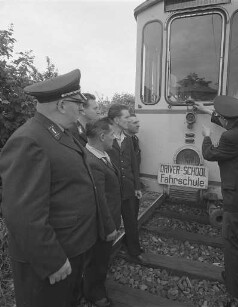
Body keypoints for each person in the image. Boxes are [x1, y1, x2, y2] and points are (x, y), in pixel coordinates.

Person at [0, 69, 101, 307]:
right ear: (63, 105)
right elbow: (23, 214)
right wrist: (52, 261)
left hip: (71, 248)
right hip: (51, 259)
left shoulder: (61, 134)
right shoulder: (29, 140)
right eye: (78, 103)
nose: (81, 108)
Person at [195, 96, 238, 307]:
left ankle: (237, 294)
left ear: (226, 120)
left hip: (235, 199)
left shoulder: (231, 138)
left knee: (233, 245)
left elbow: (209, 154)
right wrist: (207, 111)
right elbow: (230, 122)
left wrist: (206, 136)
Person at [83, 117, 121, 307]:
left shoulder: (102, 155)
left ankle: (95, 286)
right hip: (101, 225)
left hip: (109, 219)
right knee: (98, 260)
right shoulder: (92, 161)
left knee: (102, 258)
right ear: (102, 135)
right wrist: (108, 227)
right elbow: (100, 199)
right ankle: (94, 292)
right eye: (112, 134)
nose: (114, 138)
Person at [107, 104, 144, 262]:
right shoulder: (105, 138)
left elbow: (134, 165)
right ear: (116, 120)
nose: (129, 120)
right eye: (126, 117)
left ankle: (134, 251)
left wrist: (137, 186)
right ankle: (105, 255)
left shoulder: (128, 140)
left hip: (129, 188)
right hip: (112, 191)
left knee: (131, 221)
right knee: (111, 224)